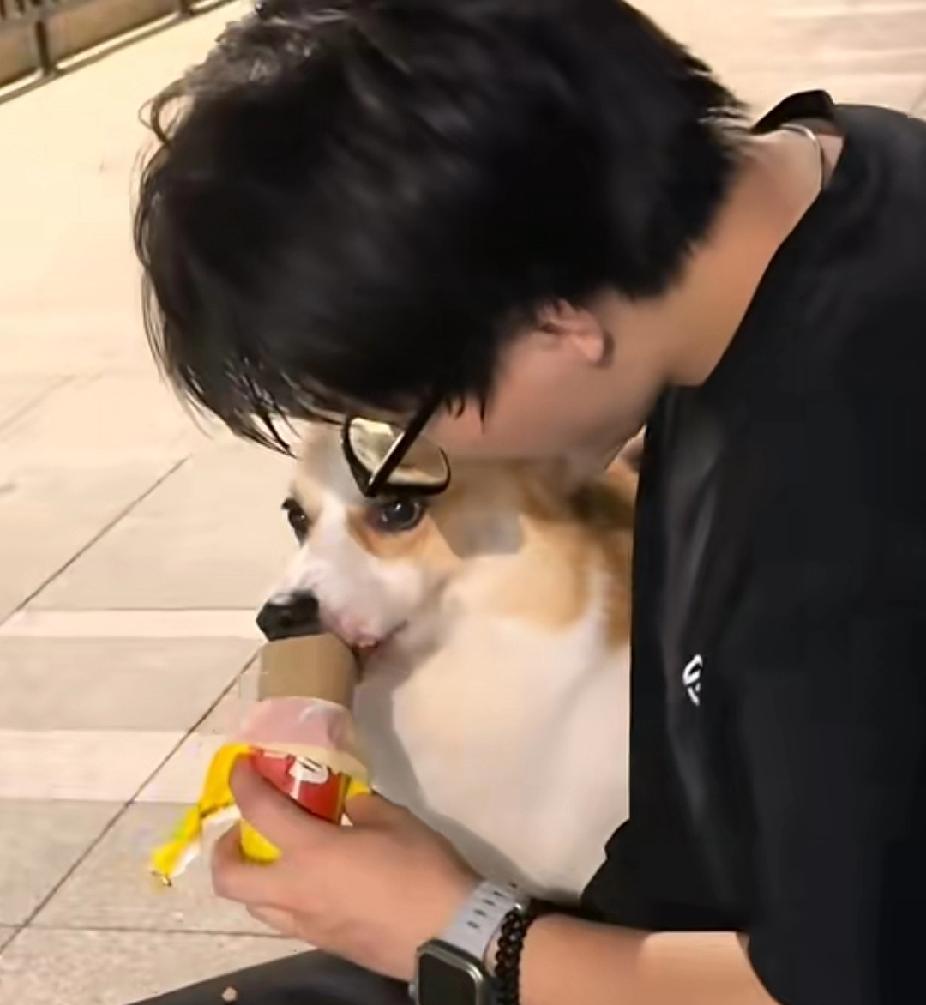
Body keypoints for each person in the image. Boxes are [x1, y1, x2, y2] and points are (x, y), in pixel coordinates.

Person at [131, 1, 926, 1003]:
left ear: (556, 325)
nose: (427, 452)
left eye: (403, 420)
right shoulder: (827, 165)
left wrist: (456, 925)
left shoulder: (839, 524)